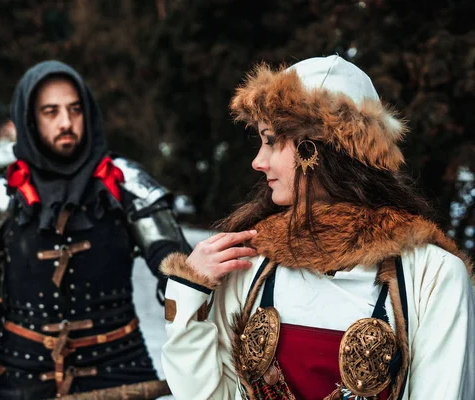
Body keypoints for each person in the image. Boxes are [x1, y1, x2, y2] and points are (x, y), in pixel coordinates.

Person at [160, 55, 475, 400]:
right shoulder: (249, 263)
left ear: (314, 148)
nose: (257, 162)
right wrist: (189, 290)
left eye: (269, 140)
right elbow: (206, 395)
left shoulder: (433, 276)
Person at [0, 60, 190, 400]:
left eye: (74, 110)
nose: (66, 122)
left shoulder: (125, 184)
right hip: (22, 376)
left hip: (120, 371)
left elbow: (181, 273)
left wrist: (200, 353)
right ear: (30, 120)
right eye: (51, 111)